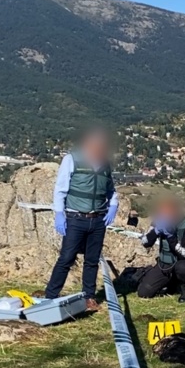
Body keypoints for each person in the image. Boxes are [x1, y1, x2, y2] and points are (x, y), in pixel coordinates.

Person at [43, 127, 118, 311]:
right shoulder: (72, 160)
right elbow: (60, 189)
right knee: (66, 258)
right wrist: (60, 214)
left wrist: (113, 206)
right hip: (75, 217)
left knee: (92, 260)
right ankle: (51, 296)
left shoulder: (105, 164)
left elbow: (111, 190)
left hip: (98, 219)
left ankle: (89, 297)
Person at [137, 197, 185, 303]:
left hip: (184, 261)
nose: (164, 216)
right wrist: (155, 231)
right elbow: (145, 243)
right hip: (165, 263)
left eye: (167, 213)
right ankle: (171, 282)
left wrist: (170, 237)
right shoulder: (159, 222)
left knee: (182, 268)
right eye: (162, 213)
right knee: (144, 292)